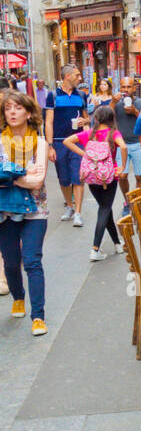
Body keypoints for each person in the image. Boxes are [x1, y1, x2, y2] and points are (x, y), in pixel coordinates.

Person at [0, 89, 49, 334]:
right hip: (5, 211)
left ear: (28, 113)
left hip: (35, 211)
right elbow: (31, 177)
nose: (12, 112)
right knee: (10, 263)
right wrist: (23, 176)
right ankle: (18, 297)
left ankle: (38, 316)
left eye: (18, 107)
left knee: (32, 261)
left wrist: (8, 177)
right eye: (8, 108)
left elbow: (38, 182)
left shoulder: (40, 143)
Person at [63, 103, 125, 261]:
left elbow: (67, 141)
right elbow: (123, 147)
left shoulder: (89, 134)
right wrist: (123, 166)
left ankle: (117, 243)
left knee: (106, 209)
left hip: (91, 175)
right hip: (109, 175)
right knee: (105, 209)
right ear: (112, 118)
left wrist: (84, 154)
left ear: (96, 118)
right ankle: (95, 248)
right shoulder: (113, 133)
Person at [44, 62, 89, 225]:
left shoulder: (82, 96)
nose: (80, 78)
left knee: (78, 176)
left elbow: (87, 118)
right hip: (59, 142)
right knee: (63, 178)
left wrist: (85, 120)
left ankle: (78, 212)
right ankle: (69, 206)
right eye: (77, 75)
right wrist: (50, 146)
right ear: (68, 76)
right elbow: (48, 122)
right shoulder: (53, 96)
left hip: (78, 142)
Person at [112, 76, 141, 208]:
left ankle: (138, 203)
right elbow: (106, 117)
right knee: (122, 176)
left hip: (138, 143)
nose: (126, 90)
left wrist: (135, 112)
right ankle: (128, 200)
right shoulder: (116, 104)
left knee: (139, 177)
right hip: (122, 145)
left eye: (128, 87)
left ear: (134, 88)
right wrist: (113, 103)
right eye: (123, 87)